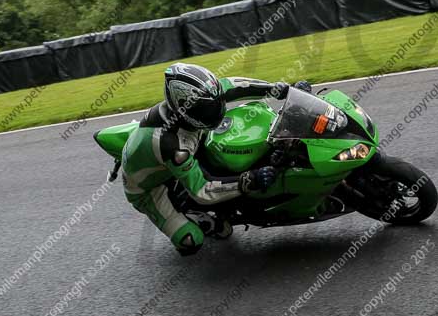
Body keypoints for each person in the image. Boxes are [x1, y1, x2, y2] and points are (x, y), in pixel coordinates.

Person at [120, 62, 312, 256]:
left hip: (190, 146)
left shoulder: (206, 94)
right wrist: (248, 181)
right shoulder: (170, 144)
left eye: (216, 104)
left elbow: (241, 86)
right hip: (149, 189)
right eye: (205, 110)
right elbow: (201, 190)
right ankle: (199, 218)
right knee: (192, 240)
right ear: (183, 110)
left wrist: (286, 90)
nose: (215, 111)